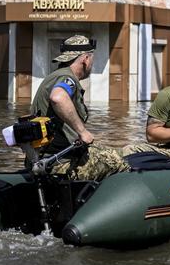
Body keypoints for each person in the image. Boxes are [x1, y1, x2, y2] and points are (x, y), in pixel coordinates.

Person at [30, 35, 126, 181]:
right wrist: (82, 132)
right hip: (60, 163)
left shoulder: (54, 76)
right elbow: (58, 98)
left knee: (113, 152)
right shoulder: (67, 79)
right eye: (91, 59)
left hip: (45, 158)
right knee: (122, 163)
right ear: (85, 59)